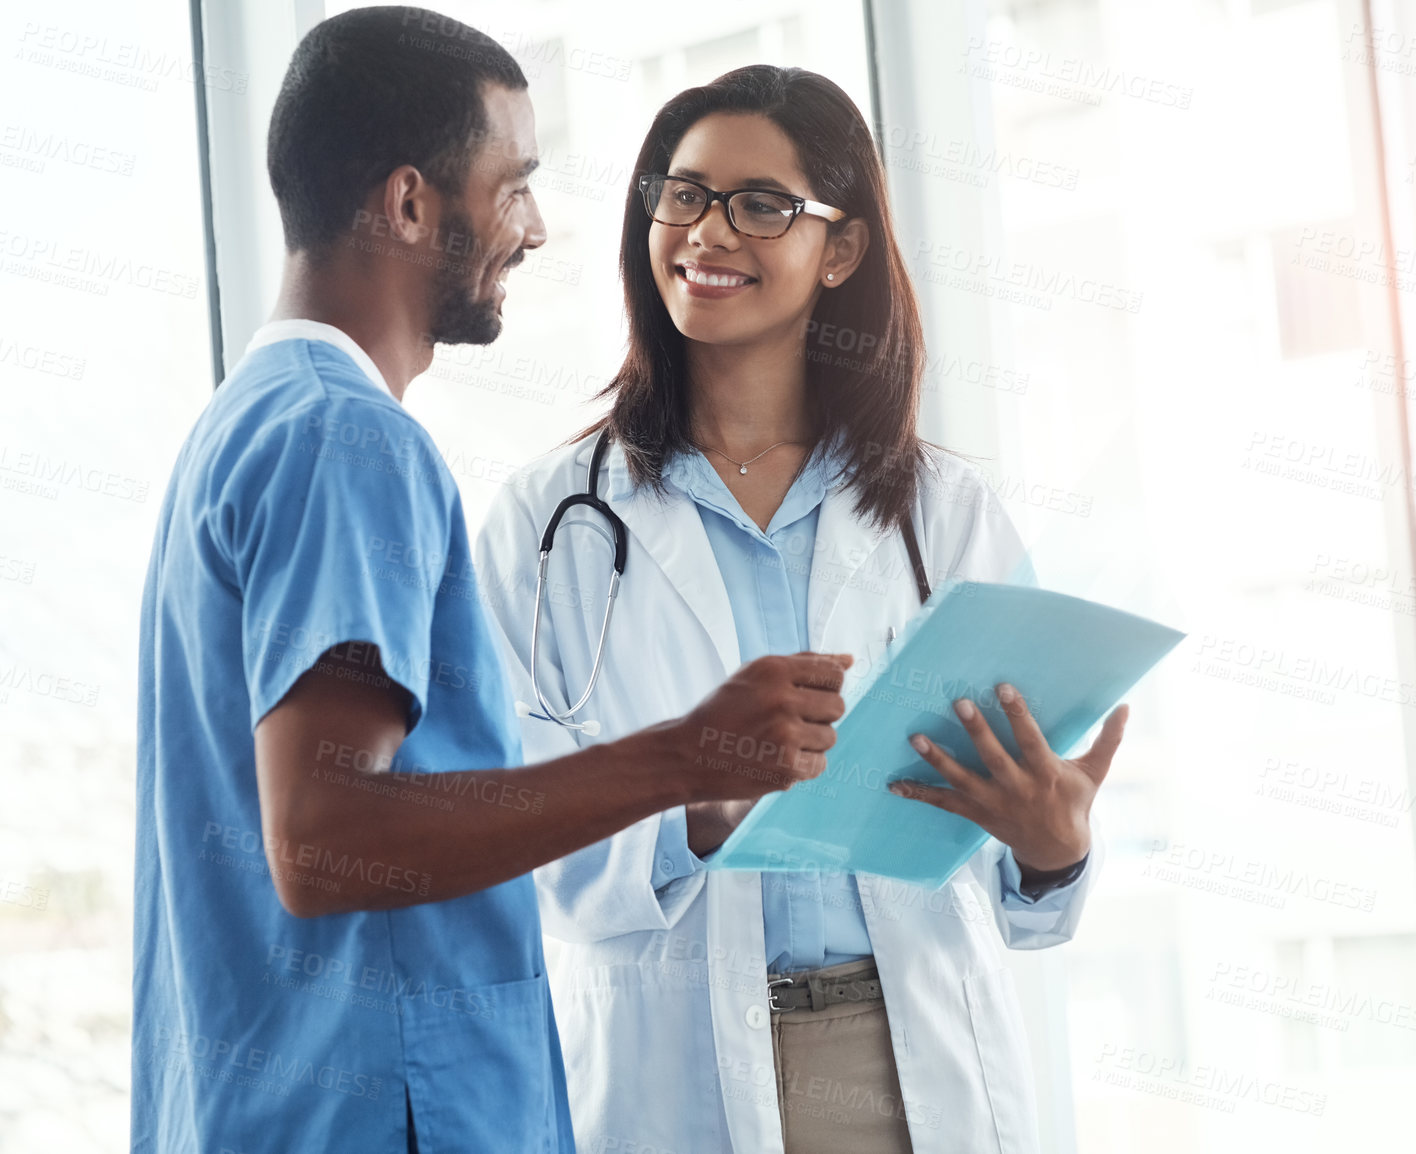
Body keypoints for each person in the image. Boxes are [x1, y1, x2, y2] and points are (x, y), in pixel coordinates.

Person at [132, 13, 852, 1153]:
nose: (536, 226)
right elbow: (322, 839)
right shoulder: (344, 440)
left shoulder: (245, 425)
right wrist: (687, 754)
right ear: (411, 203)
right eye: (511, 185)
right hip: (375, 1113)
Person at [474, 65, 1130, 1153]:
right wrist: (705, 804)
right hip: (670, 1057)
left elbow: (1022, 875)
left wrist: (1053, 845)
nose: (706, 232)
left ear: (842, 249)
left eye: (760, 205)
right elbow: (511, 822)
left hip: (900, 1054)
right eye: (681, 195)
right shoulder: (553, 520)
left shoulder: (944, 515)